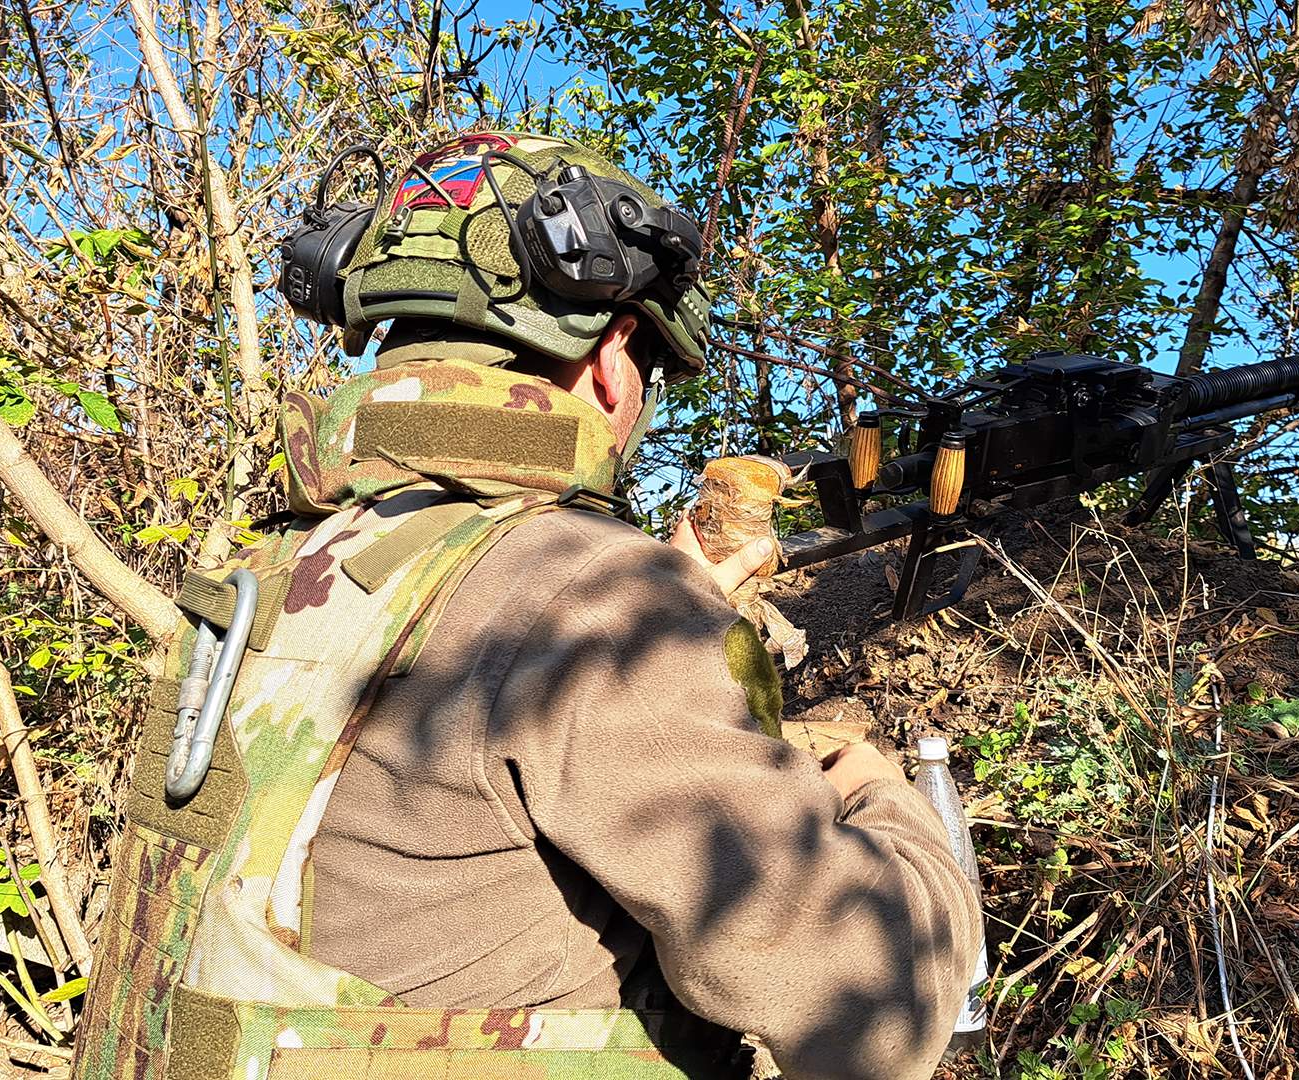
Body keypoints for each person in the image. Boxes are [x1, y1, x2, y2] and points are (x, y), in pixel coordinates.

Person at [72, 131, 981, 1080]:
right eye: (651, 380)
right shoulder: (589, 599)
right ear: (612, 358)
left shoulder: (276, 568)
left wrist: (678, 614)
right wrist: (878, 787)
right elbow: (870, 1009)